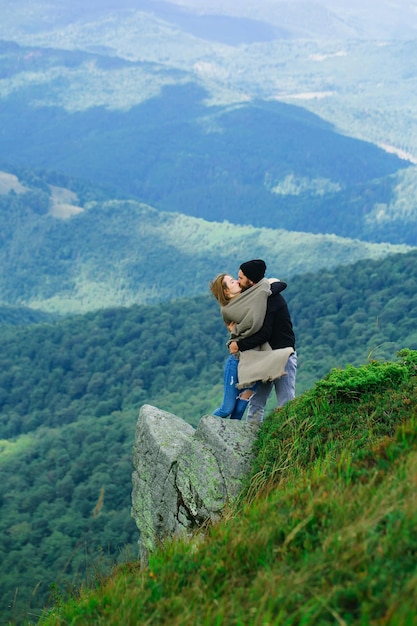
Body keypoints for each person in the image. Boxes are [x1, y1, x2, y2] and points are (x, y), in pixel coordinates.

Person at [210, 271, 294, 420]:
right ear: (226, 291)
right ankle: (201, 432)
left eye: (236, 279)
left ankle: (233, 440)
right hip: (240, 361)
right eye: (232, 282)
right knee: (228, 407)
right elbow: (253, 330)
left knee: (242, 407)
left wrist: (268, 292)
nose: (237, 281)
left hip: (258, 361)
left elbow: (276, 282)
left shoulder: (249, 297)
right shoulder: (230, 310)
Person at [228, 259, 297, 424]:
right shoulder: (258, 296)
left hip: (282, 357)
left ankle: (288, 440)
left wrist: (239, 345)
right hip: (264, 357)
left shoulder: (269, 299)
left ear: (251, 281)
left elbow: (264, 333)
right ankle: (252, 443)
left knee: (286, 404)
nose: (238, 281)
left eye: (241, 278)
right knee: (256, 403)